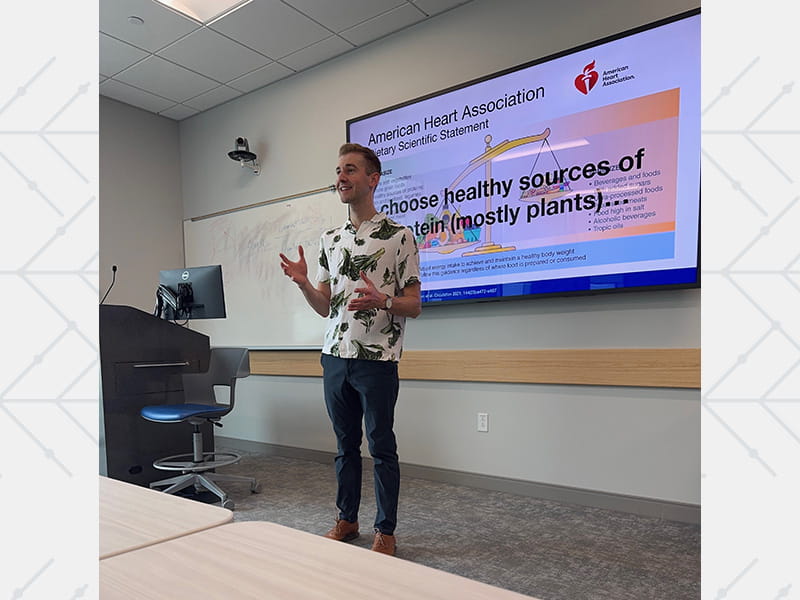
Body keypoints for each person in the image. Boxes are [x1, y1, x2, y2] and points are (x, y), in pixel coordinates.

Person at [279, 143, 421, 556]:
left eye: (351, 170)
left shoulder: (398, 237)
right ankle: (347, 519)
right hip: (335, 358)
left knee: (380, 446)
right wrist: (306, 284)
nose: (341, 177)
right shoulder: (330, 239)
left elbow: (414, 304)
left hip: (377, 359)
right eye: (339, 170)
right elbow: (327, 308)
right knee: (344, 446)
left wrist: (385, 301)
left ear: (372, 179)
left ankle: (386, 530)